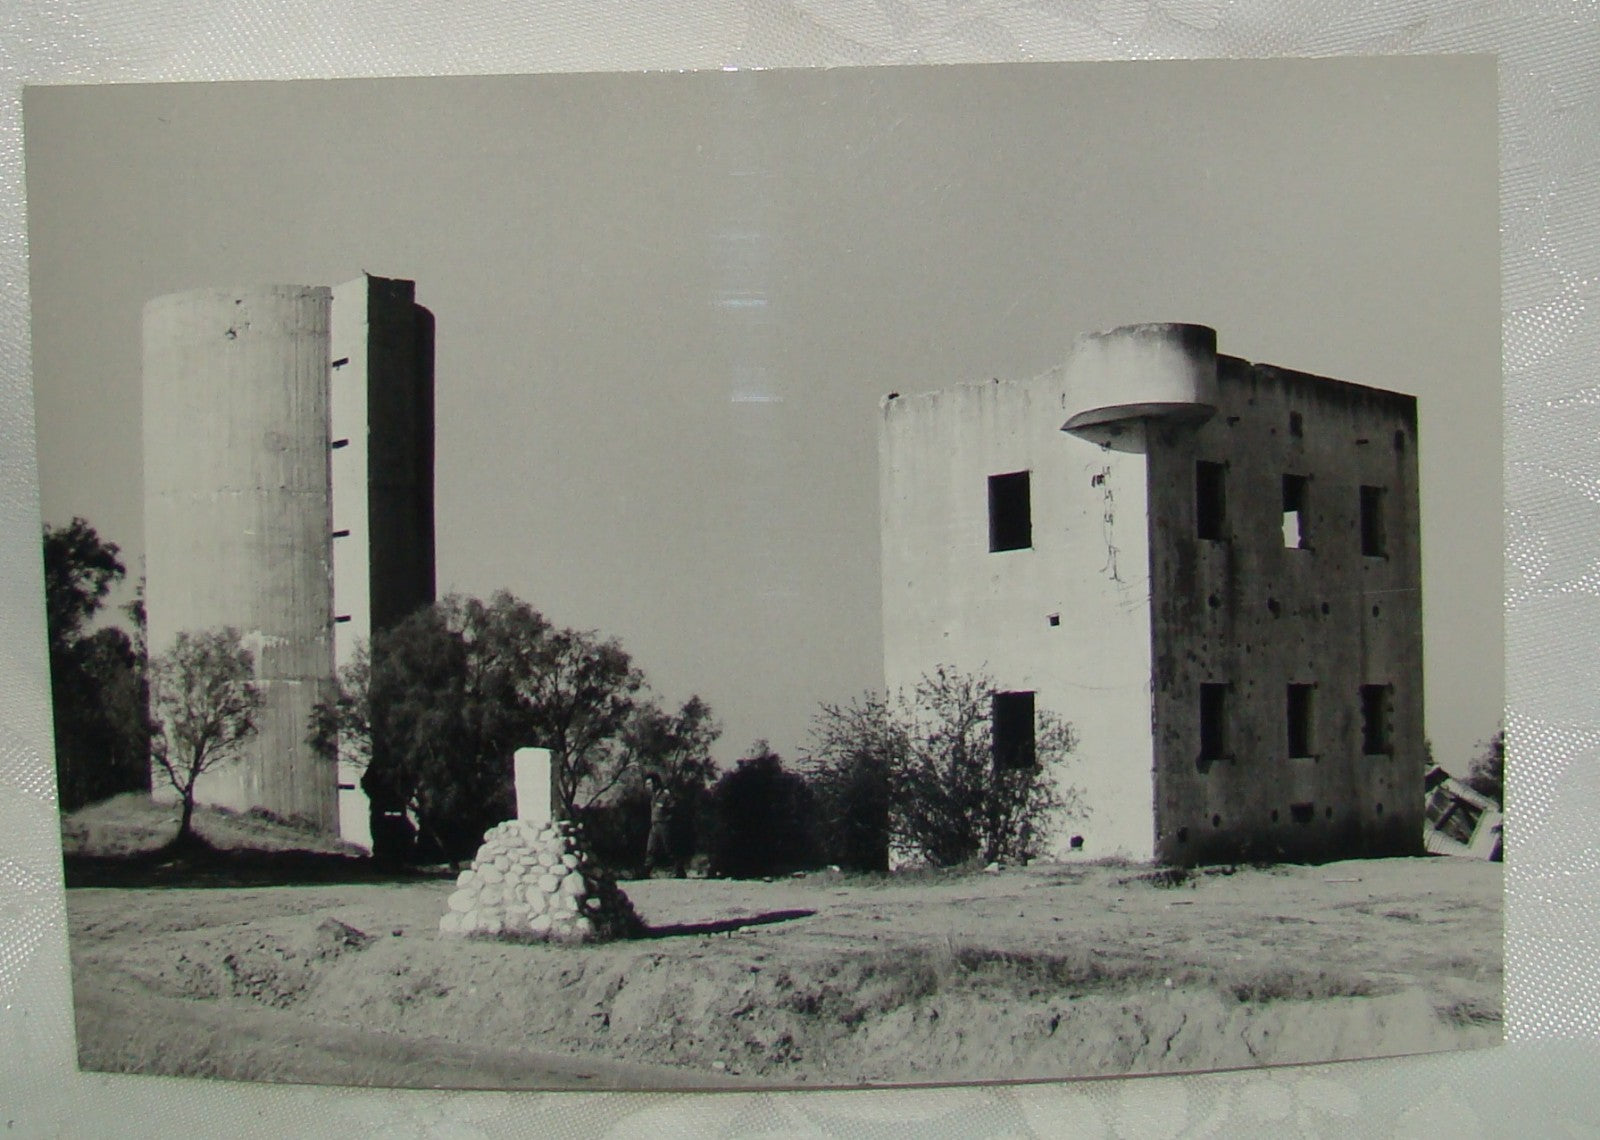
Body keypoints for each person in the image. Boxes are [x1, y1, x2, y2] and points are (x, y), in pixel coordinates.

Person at [644, 773, 682, 878]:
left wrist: (668, 820)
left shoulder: (665, 795)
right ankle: (646, 872)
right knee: (650, 849)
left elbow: (673, 809)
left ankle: (679, 871)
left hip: (665, 825)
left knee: (669, 849)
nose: (648, 786)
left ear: (656, 783)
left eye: (649, 783)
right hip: (654, 825)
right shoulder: (653, 797)